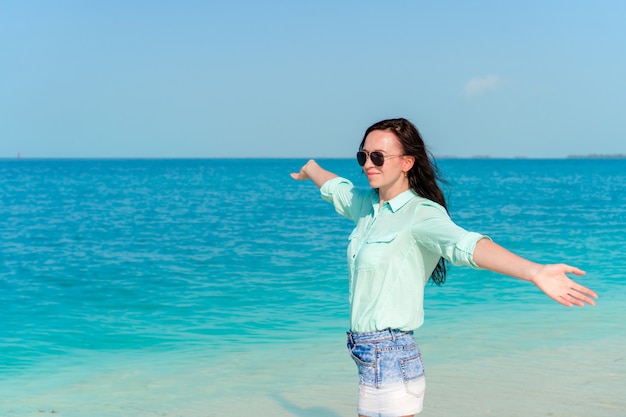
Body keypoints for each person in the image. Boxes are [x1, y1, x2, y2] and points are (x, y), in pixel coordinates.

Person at [290, 117, 598, 417]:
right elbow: (336, 188)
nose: (368, 164)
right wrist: (311, 168)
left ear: (407, 162)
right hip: (370, 354)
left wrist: (535, 271)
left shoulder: (421, 214)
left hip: (390, 353)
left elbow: (466, 245)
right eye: (363, 155)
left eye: (378, 157)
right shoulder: (368, 207)